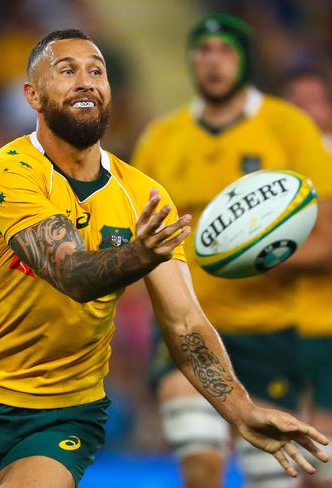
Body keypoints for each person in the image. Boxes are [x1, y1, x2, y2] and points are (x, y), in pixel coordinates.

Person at [0, 28, 329, 488]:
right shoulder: (9, 172)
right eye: (66, 71)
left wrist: (242, 411)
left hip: (65, 412)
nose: (85, 81)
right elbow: (72, 274)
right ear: (33, 94)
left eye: (96, 71)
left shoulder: (143, 194)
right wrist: (139, 253)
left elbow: (184, 322)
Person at [132, 14, 332, 488]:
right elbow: (136, 232)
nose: (213, 62)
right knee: (199, 458)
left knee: (277, 476)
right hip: (188, 325)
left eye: (226, 50)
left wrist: (252, 255)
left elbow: (327, 241)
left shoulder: (289, 128)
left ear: (245, 59)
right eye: (203, 50)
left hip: (268, 331)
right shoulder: (162, 137)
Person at [281, 68, 332, 488]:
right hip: (271, 327)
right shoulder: (268, 170)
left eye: (312, 102)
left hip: (323, 328)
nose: (303, 113)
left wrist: (257, 260)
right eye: (294, 104)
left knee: (316, 461)